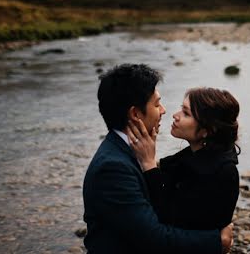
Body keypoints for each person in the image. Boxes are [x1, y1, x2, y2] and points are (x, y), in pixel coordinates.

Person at [82, 64, 233, 254]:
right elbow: (153, 239)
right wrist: (217, 241)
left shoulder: (134, 150)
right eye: (156, 104)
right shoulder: (112, 168)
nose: (163, 110)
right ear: (135, 114)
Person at [128, 87, 240, 230]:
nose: (175, 115)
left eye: (186, 113)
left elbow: (168, 218)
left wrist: (149, 164)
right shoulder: (195, 154)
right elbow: (164, 172)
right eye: (181, 109)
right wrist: (147, 150)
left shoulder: (221, 172)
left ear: (207, 130)